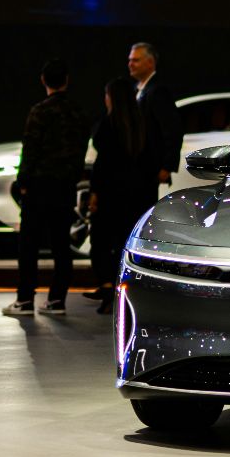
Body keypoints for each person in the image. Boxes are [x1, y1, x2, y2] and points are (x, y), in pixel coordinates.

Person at [5, 59, 91, 317]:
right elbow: (81, 151)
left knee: (29, 245)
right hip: (64, 187)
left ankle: (24, 300)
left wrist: (23, 183)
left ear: (43, 80)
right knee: (61, 246)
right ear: (67, 80)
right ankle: (56, 301)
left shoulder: (39, 111)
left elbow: (30, 150)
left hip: (38, 187)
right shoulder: (78, 112)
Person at [88, 75, 163, 314]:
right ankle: (127, 292)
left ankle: (107, 287)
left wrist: (94, 192)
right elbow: (152, 160)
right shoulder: (144, 125)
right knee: (126, 243)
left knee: (101, 242)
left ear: (111, 98)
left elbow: (101, 164)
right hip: (137, 195)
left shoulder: (107, 125)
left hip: (111, 194)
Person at [127, 42, 183, 191]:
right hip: (138, 168)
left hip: (150, 168)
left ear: (150, 62)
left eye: (135, 60)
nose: (130, 64)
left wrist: (167, 166)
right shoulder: (136, 90)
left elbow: (172, 129)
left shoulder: (158, 91)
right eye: (130, 60)